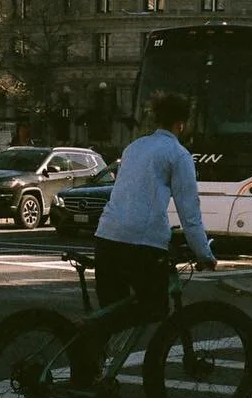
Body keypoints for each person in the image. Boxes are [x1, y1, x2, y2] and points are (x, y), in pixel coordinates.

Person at [92, 90, 217, 334]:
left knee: (111, 314)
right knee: (155, 309)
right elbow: (189, 212)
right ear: (181, 124)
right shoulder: (178, 154)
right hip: (141, 244)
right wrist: (203, 253)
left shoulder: (133, 147)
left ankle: (89, 351)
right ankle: (88, 333)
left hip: (106, 236)